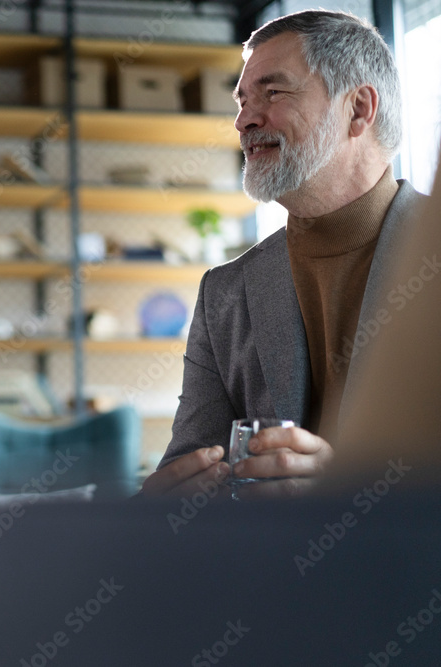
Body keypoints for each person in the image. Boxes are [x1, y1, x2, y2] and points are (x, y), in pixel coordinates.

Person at [140, 10, 428, 500]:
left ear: (359, 109)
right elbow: (188, 476)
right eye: (243, 101)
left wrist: (349, 493)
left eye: (273, 94)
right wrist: (162, 506)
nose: (243, 119)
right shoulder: (224, 293)